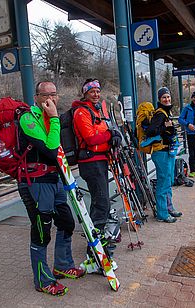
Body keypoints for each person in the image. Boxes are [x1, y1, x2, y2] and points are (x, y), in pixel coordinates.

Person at [17, 81, 85, 297]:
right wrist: (55, 118)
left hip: (55, 179)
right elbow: (50, 148)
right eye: (46, 95)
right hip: (36, 182)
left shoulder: (50, 117)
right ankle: (42, 279)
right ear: (36, 97)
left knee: (66, 222)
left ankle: (62, 265)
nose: (51, 99)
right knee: (41, 231)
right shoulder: (28, 118)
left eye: (54, 94)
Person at [71, 78, 122, 269]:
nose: (96, 94)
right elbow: (91, 138)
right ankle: (97, 255)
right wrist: (111, 135)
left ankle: (95, 252)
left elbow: (102, 132)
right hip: (90, 163)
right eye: (92, 91)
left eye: (98, 91)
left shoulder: (96, 111)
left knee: (100, 205)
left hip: (99, 161)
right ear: (85, 93)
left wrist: (111, 135)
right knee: (102, 205)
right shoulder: (81, 112)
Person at [145, 86, 182, 223]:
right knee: (163, 183)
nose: (167, 99)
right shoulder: (160, 114)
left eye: (168, 97)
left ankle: (169, 207)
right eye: (164, 97)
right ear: (160, 99)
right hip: (161, 153)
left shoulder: (165, 112)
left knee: (168, 180)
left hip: (167, 151)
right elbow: (150, 131)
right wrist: (165, 127)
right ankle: (162, 213)